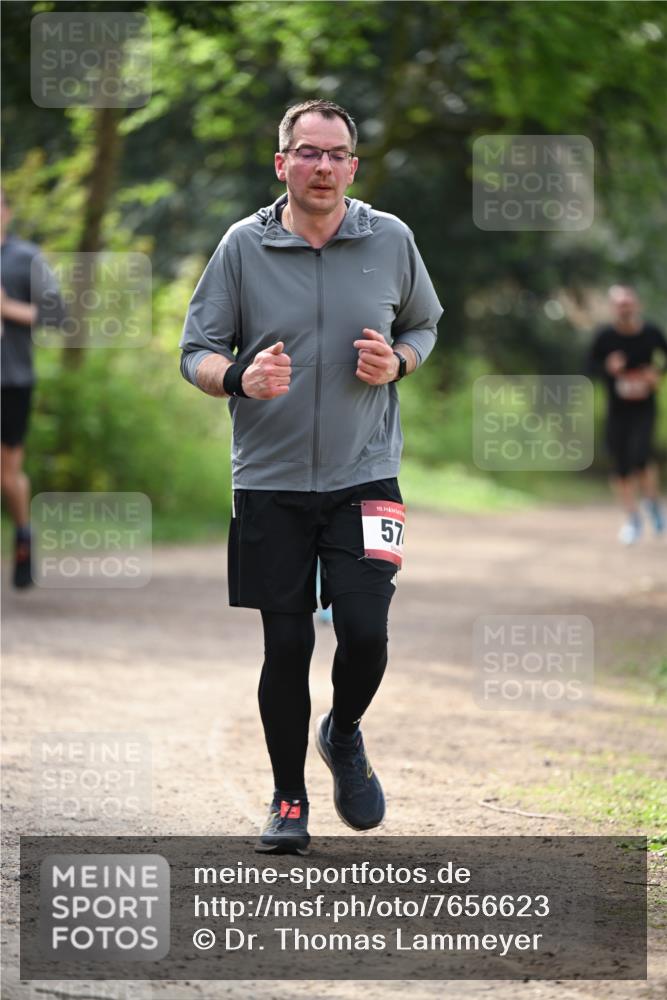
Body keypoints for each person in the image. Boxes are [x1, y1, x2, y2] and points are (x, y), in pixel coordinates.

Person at [180, 99, 442, 854]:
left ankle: (345, 729)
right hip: (269, 479)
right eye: (307, 152)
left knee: (365, 631)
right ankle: (287, 799)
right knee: (286, 647)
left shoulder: (389, 238)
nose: (321, 166)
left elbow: (422, 323)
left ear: (352, 166)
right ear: (282, 163)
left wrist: (402, 361)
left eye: (335, 155)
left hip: (367, 475)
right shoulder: (241, 247)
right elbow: (193, 350)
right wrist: (236, 378)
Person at [1, 189, 64, 587]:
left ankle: (24, 536)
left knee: (8, 472)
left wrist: (6, 308)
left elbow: (57, 315)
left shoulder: (25, 258)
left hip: (12, 380)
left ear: (6, 212)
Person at [588, 285, 667, 544]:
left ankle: (653, 505)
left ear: (637, 305)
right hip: (617, 410)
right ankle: (633, 518)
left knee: (641, 456)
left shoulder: (651, 333)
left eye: (629, 303)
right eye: (620, 304)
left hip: (644, 408)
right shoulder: (605, 337)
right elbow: (588, 365)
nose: (625, 308)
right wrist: (608, 367)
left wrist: (656, 375)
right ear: (613, 308)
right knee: (621, 465)